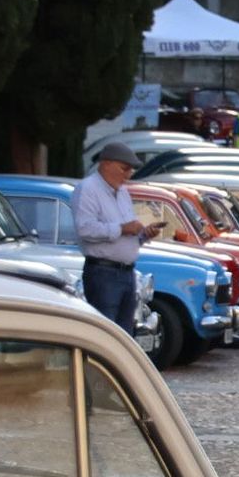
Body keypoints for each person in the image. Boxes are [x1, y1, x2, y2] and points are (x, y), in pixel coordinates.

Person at [73, 140, 161, 333]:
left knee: (124, 335)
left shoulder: (122, 192)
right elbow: (85, 229)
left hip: (127, 273)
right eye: (124, 169)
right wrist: (122, 228)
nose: (128, 175)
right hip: (103, 272)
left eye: (130, 170)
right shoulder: (88, 189)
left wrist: (144, 234)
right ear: (106, 164)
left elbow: (127, 232)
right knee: (106, 333)